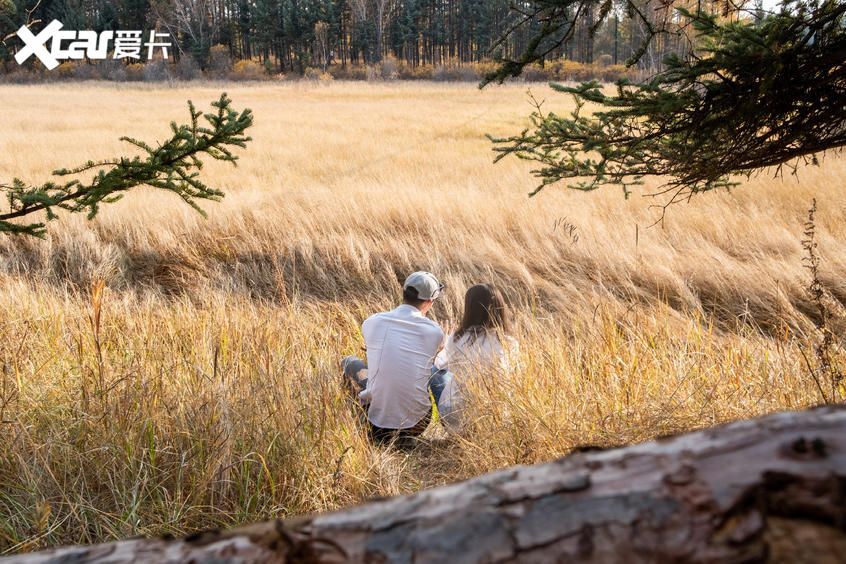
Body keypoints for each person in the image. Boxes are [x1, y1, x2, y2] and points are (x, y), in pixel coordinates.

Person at [341, 271, 449, 443]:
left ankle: (355, 420)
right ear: (429, 302)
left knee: (348, 362)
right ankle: (405, 437)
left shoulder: (371, 322)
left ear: (403, 292)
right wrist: (441, 345)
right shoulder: (434, 331)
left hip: (375, 426)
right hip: (418, 424)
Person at [434, 283, 518, 432]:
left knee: (435, 372)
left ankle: (456, 431)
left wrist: (443, 347)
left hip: (457, 417)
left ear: (470, 309)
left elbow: (440, 365)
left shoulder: (458, 339)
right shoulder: (509, 342)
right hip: (498, 420)